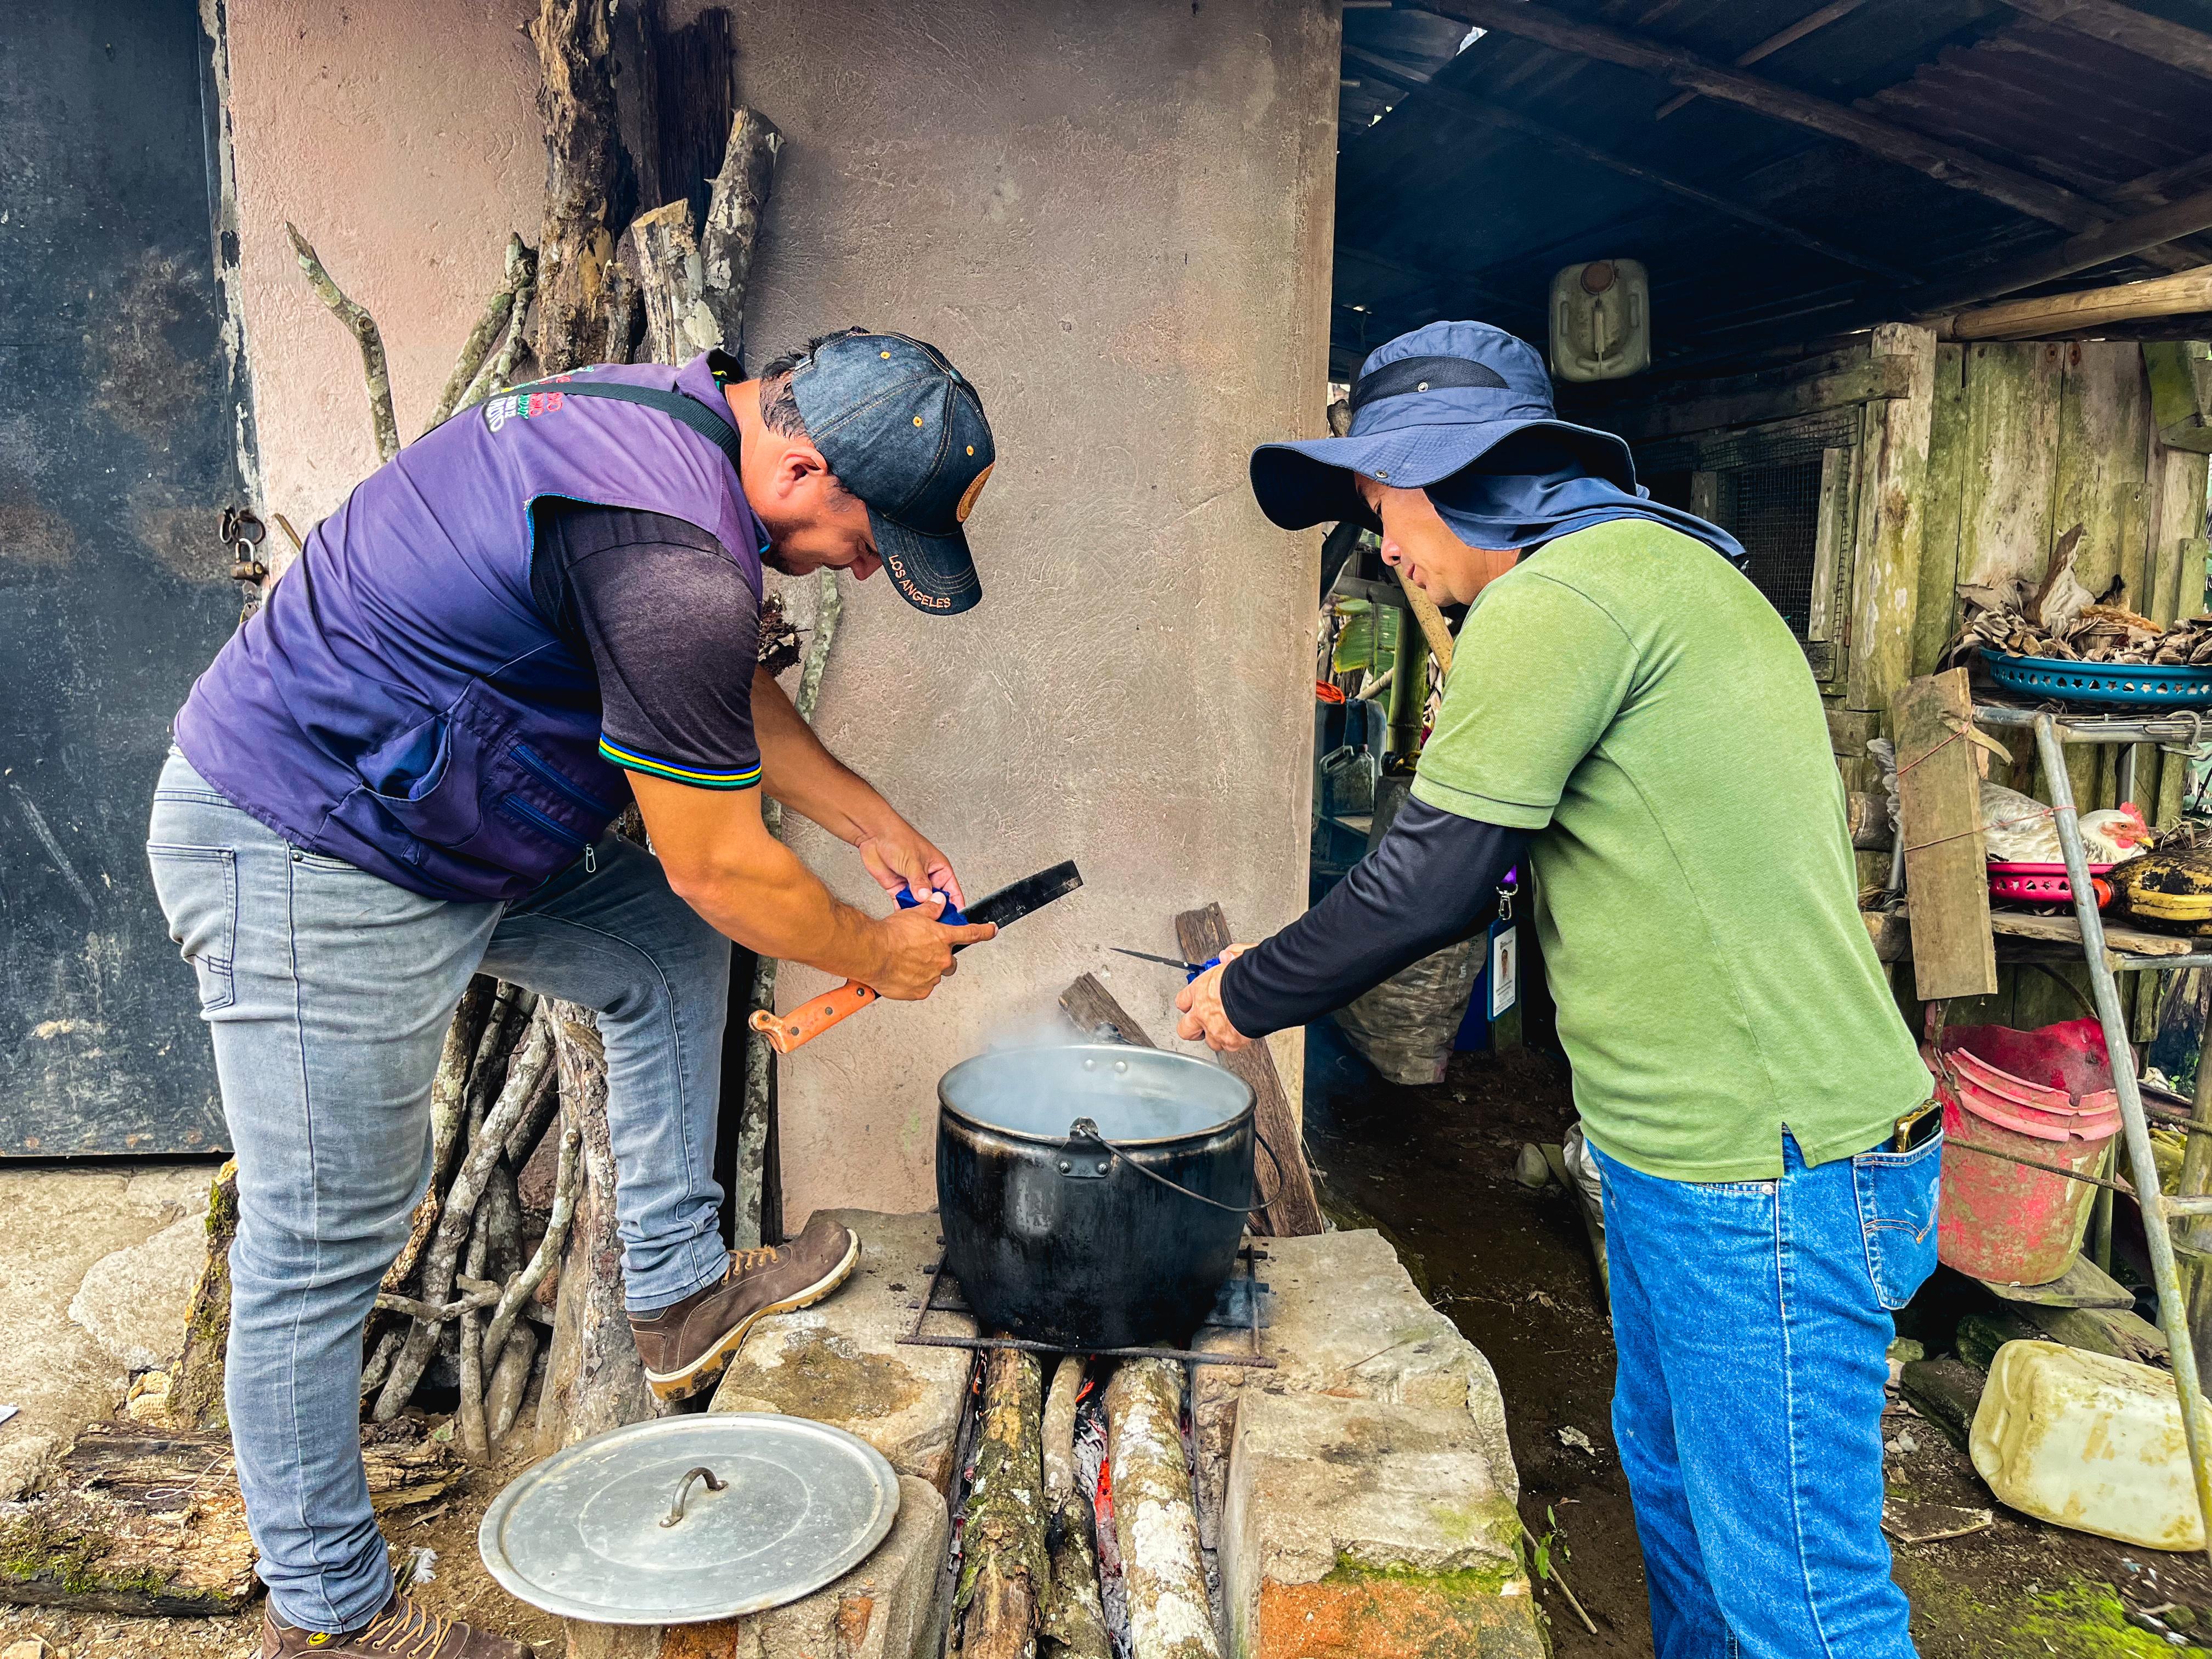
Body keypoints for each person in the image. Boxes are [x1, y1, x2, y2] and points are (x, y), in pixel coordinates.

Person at [150, 330, 1000, 1658]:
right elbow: (720, 866)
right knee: (322, 1236)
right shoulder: (672, 563)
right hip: (309, 837)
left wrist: (864, 815)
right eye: (868, 540)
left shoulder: (678, 432)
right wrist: (877, 956)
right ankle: (333, 1621)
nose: (864, 569)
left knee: (656, 946)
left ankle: (676, 1293)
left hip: (434, 813)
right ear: (803, 466)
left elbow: (707, 690)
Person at [1177, 320, 1940, 1659]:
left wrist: (1247, 993)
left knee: (1802, 1608)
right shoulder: (1651, 567)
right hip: (1691, 1153)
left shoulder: (1562, 600)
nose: (1382, 548)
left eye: (1379, 507)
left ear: (1441, 473)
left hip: (1763, 1166)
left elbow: (1429, 883)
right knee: (1687, 1515)